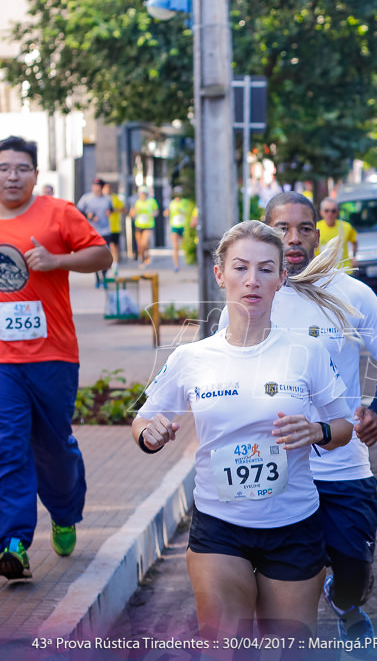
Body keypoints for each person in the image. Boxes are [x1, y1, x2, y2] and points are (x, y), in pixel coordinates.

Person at [135, 220, 355, 640]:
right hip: (219, 525)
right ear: (220, 275)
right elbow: (143, 420)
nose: (252, 280)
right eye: (240, 268)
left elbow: (344, 427)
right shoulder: (192, 358)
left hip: (293, 524)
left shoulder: (306, 352)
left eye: (266, 269)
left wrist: (317, 431)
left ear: (281, 279)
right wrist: (151, 433)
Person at [249, 192, 377, 642]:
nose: (294, 238)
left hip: (344, 464)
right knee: (287, 582)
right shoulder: (255, 295)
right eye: (282, 228)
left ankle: (345, 597)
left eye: (304, 228)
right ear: (267, 232)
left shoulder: (351, 292)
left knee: (355, 567)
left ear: (319, 234)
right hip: (279, 466)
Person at [0, 135, 112, 579]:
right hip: (4, 360)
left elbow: (102, 255)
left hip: (53, 355)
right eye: (4, 167)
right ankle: (13, 541)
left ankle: (64, 512)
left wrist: (57, 260)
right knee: (8, 448)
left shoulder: (58, 212)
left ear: (34, 174)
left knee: (53, 447)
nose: (11, 175)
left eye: (20, 168)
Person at [76, 177, 113, 287]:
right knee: (95, 257)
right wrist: (88, 216)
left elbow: (111, 209)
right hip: (92, 232)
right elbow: (77, 211)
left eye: (98, 186)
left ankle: (104, 276)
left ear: (101, 188)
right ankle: (98, 279)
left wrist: (109, 212)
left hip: (106, 231)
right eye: (94, 186)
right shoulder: (86, 198)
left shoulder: (107, 199)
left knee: (107, 257)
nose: (96, 188)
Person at [315, 197, 359, 272]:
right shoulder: (315, 228)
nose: (330, 214)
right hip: (323, 272)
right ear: (321, 212)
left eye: (333, 211)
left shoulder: (346, 227)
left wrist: (354, 256)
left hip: (344, 271)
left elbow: (354, 241)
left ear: (337, 212)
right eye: (326, 211)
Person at [165, 186, 191, 273]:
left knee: (185, 245)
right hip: (175, 226)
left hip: (183, 226)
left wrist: (182, 212)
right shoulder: (172, 203)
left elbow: (188, 213)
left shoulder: (185, 202)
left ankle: (188, 261)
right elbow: (167, 212)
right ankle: (176, 265)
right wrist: (166, 212)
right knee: (175, 246)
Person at [130, 187, 157, 267]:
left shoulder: (151, 201)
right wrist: (134, 212)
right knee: (140, 245)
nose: (143, 196)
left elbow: (156, 210)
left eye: (144, 194)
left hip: (148, 225)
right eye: (142, 194)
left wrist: (153, 214)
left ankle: (146, 256)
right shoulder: (136, 202)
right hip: (138, 225)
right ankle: (142, 258)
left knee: (144, 242)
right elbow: (131, 213)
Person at [103, 182, 124, 276]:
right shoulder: (100, 199)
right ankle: (106, 266)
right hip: (103, 228)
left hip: (114, 227)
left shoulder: (115, 198)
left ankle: (115, 265)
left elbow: (123, 209)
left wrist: (114, 210)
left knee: (114, 246)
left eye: (108, 188)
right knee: (106, 247)